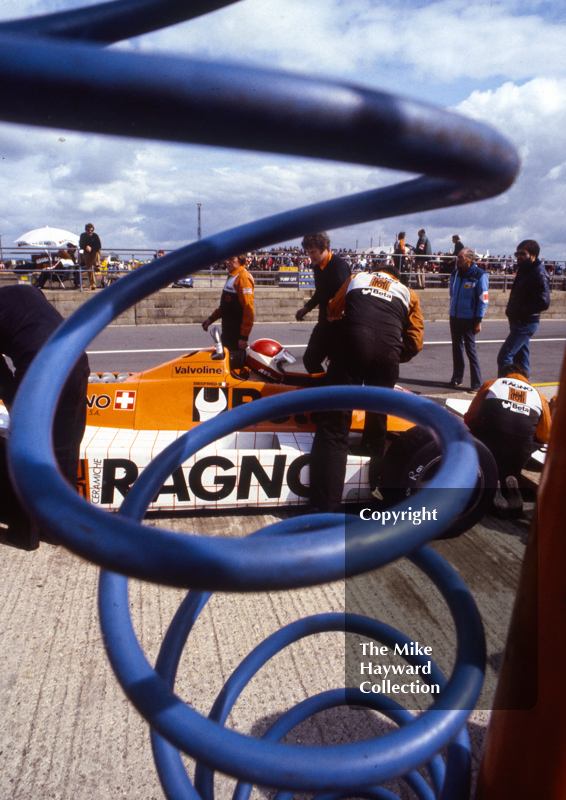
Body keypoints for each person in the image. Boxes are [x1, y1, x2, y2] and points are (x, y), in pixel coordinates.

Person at [308, 262, 424, 512]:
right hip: (388, 356)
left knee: (334, 427)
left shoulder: (356, 278)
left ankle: (323, 509)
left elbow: (332, 308)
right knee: (377, 419)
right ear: (396, 278)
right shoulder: (408, 293)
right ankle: (369, 489)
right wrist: (392, 354)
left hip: (353, 345)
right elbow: (415, 342)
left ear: (377, 272)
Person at [0, 285, 90, 547]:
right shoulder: (26, 290)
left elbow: (2, 377)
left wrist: (17, 410)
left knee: (25, 450)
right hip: (76, 363)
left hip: (38, 373)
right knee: (65, 449)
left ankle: (23, 530)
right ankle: (60, 529)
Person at [464, 363, 551, 517]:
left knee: (472, 431)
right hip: (519, 453)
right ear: (526, 379)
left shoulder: (492, 384)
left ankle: (491, 481)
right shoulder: (539, 396)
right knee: (531, 441)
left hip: (490, 447)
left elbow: (470, 417)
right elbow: (545, 435)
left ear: (504, 375)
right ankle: (511, 477)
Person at [295, 232, 351, 374]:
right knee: (310, 360)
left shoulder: (338, 267)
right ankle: (323, 389)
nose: (310, 256)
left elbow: (347, 296)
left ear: (324, 248)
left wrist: (337, 314)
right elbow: (321, 292)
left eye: (313, 252)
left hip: (340, 326)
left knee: (336, 368)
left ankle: (331, 393)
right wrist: (307, 308)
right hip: (325, 323)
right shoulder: (318, 267)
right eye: (308, 253)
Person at [497, 240, 550, 379]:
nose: (518, 257)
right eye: (517, 253)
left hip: (525, 322)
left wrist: (520, 311)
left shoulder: (538, 273)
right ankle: (524, 390)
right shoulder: (525, 269)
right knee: (521, 361)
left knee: (504, 357)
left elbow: (544, 302)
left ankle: (507, 390)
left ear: (533, 255)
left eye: (522, 254)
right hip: (518, 321)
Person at [202, 254, 255, 367]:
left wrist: (243, 337)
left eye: (231, 258)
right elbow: (226, 306)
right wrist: (211, 318)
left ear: (240, 259)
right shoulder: (232, 276)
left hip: (236, 335)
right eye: (227, 258)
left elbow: (248, 310)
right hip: (227, 332)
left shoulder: (243, 278)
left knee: (235, 366)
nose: (227, 261)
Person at [448, 247, 489, 392]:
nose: (458, 260)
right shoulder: (455, 273)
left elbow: (483, 300)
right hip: (454, 316)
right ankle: (457, 378)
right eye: (457, 257)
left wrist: (478, 320)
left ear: (470, 259)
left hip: (469, 319)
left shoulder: (480, 275)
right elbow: (452, 294)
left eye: (461, 257)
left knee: (470, 350)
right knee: (456, 348)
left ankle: (476, 384)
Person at [79, 223, 102, 290]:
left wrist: (91, 248)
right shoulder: (83, 235)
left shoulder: (95, 235)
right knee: (90, 269)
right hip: (87, 253)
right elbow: (81, 245)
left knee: (97, 251)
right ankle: (92, 284)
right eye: (88, 230)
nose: (90, 232)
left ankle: (97, 265)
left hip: (94, 252)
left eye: (91, 230)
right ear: (86, 230)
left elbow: (98, 245)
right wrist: (87, 247)